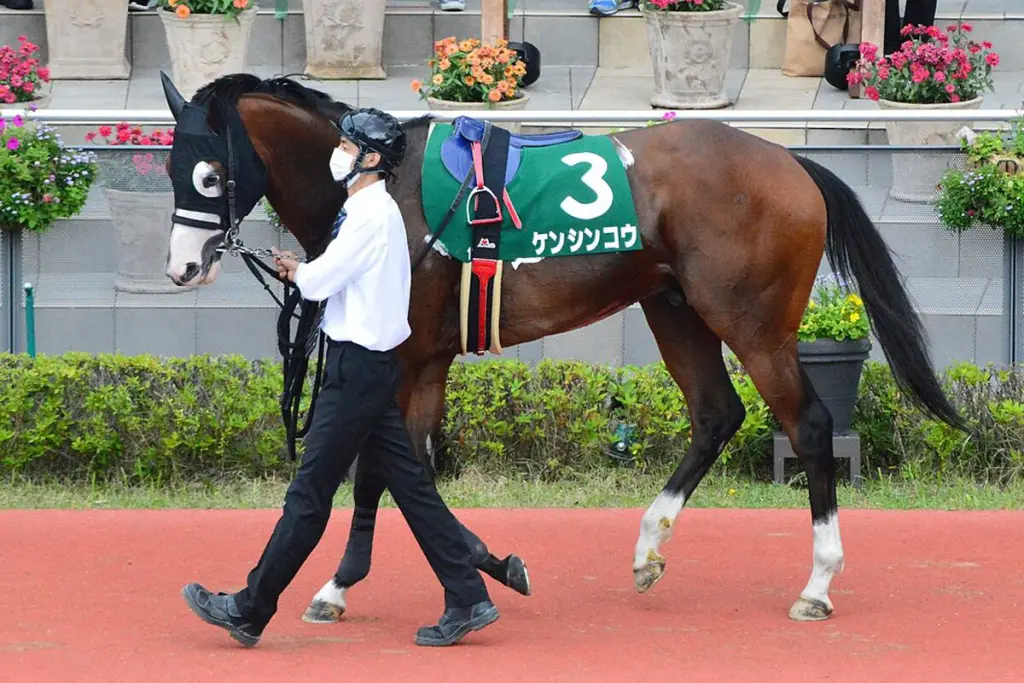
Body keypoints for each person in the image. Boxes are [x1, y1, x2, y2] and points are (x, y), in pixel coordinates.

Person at [181, 107, 500, 649]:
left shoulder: (368, 214)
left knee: (309, 494)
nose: (340, 153)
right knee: (413, 489)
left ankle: (250, 609)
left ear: (370, 159)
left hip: (355, 372)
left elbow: (321, 280)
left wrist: (299, 272)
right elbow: (330, 277)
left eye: (348, 146)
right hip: (371, 369)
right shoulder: (372, 211)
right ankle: (468, 596)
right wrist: (299, 270)